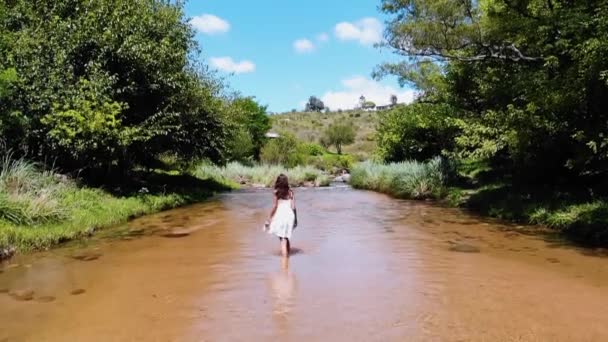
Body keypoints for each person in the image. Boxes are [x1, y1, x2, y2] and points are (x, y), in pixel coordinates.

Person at [265, 174, 297, 257]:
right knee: (286, 237)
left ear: (278, 182)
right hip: (290, 215)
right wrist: (296, 219)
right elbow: (293, 206)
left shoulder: (276, 192)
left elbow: (275, 206)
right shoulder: (290, 192)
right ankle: (288, 256)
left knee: (282, 239)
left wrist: (270, 217)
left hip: (281, 214)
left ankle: (285, 261)